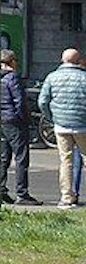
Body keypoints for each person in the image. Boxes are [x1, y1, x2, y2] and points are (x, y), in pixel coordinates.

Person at [37, 47, 86, 209]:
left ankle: (66, 197)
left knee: (66, 161)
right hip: (82, 126)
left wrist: (52, 118)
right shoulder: (84, 77)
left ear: (62, 60)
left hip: (61, 126)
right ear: (78, 61)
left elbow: (42, 101)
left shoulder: (52, 77)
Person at [0, 51, 38, 204]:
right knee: (21, 157)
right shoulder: (12, 77)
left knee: (3, 157)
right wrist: (25, 119)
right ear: (12, 61)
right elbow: (19, 101)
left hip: (0, 120)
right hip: (14, 121)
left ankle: (0, 189)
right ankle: (22, 193)